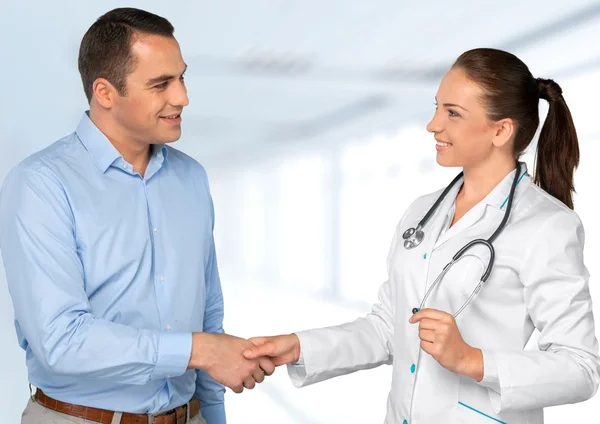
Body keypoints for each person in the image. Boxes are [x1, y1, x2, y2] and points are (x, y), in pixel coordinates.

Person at [243, 48, 600, 423]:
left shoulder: (545, 225)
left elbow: (580, 368)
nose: (432, 125)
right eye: (436, 107)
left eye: (452, 113)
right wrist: (300, 347)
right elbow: (388, 327)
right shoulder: (423, 213)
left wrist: (472, 360)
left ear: (501, 130)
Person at [0, 7, 274, 424]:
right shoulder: (41, 185)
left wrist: (214, 413)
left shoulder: (192, 179)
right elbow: (60, 340)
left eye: (181, 77)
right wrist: (198, 349)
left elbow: (209, 315)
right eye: (161, 84)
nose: (181, 97)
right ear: (105, 93)